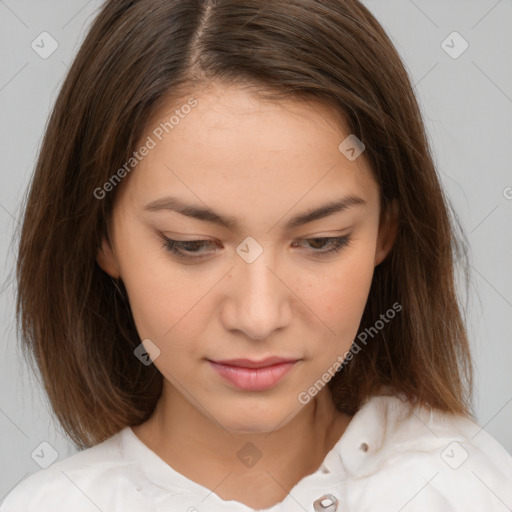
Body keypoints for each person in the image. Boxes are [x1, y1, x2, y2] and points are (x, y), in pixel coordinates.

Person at [2, 0, 511, 511]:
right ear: (101, 236)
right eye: (191, 244)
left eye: (321, 241)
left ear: (386, 231)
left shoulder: (465, 488)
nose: (258, 317)